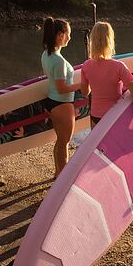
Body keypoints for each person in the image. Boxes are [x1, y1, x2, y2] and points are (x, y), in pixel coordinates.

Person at [80, 21, 133, 136]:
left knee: (98, 151)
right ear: (110, 40)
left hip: (95, 116)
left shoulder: (86, 65)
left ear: (92, 41)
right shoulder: (119, 67)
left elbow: (85, 92)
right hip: (115, 117)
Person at [41, 17, 80, 177]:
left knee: (60, 141)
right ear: (60, 35)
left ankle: (58, 173)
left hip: (52, 102)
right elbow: (62, 88)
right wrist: (81, 86)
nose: (70, 38)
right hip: (63, 104)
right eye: (68, 34)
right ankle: (63, 180)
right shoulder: (59, 61)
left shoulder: (46, 55)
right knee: (64, 142)